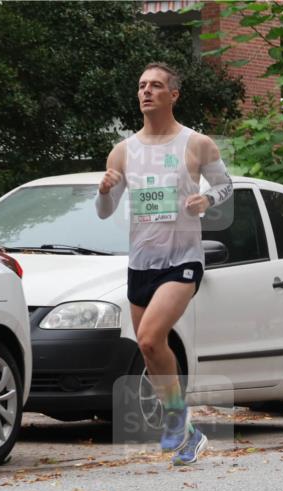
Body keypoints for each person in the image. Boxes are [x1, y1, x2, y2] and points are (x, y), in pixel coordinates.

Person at [95, 62, 233, 465]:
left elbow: (226, 185)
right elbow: (105, 211)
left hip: (182, 259)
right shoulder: (123, 151)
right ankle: (188, 432)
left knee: (150, 338)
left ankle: (174, 418)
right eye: (141, 85)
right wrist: (103, 191)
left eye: (155, 85)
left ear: (173, 95)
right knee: (151, 350)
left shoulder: (197, 143)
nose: (146, 91)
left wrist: (207, 199)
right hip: (142, 261)